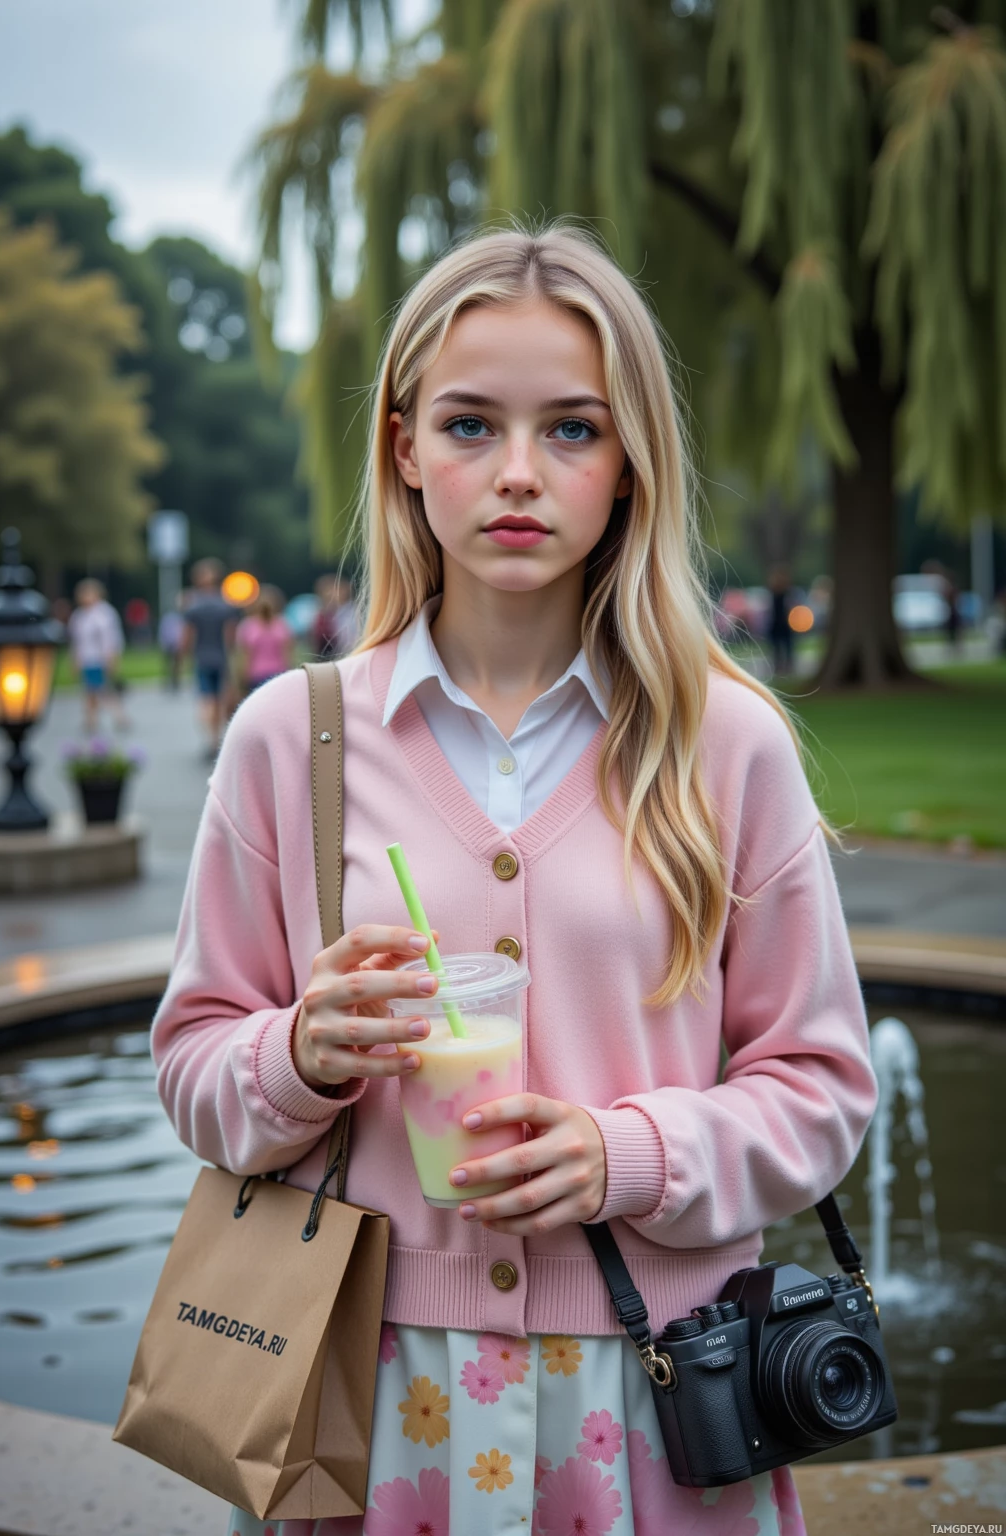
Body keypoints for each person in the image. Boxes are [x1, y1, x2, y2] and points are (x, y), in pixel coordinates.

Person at [151, 225, 877, 1536]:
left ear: (631, 461)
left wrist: (630, 1155)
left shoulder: (727, 745)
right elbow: (196, 1075)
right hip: (370, 1409)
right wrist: (301, 1056)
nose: (520, 475)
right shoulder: (289, 743)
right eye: (473, 425)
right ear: (403, 447)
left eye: (575, 430)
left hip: (659, 1406)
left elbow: (823, 1095)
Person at [182, 558, 239, 759]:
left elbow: (187, 636)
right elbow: (231, 636)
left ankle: (211, 739)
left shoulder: (192, 606)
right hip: (221, 657)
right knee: (221, 699)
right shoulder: (225, 605)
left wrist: (185, 657)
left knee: (207, 699)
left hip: (202, 657)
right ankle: (219, 738)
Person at [66, 579, 127, 734]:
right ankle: (92, 720)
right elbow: (76, 641)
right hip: (87, 659)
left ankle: (119, 717)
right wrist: (75, 660)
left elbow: (111, 638)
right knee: (90, 691)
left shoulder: (104, 613)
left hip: (99, 658)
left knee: (103, 690)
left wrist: (112, 658)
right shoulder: (79, 615)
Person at [235, 586, 294, 695]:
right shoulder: (282, 624)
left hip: (272, 673)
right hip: (263, 674)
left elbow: (244, 654)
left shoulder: (248, 625)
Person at [158, 598, 187, 692]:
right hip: (169, 645)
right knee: (168, 665)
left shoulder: (182, 618)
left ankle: (175, 682)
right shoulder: (170, 617)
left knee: (176, 665)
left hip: (176, 645)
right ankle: (168, 681)